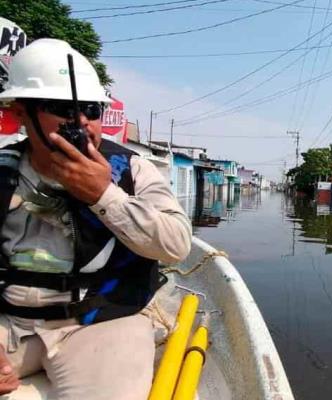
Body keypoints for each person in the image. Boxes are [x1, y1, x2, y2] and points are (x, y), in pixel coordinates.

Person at [0, 39, 191, 399]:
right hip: (11, 323)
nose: (81, 122)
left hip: (102, 322)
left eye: (91, 109)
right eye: (62, 108)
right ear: (21, 112)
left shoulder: (131, 170)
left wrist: (105, 196)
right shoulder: (3, 171)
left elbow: (177, 244)